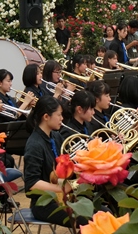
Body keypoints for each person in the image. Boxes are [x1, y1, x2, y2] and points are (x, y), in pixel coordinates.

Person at [24, 96, 88, 228]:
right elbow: (31, 183)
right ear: (46, 117)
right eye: (59, 115)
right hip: (44, 204)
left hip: (62, 198)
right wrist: (61, 189)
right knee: (88, 220)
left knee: (103, 212)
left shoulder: (54, 136)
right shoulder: (34, 144)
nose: (62, 119)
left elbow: (68, 158)